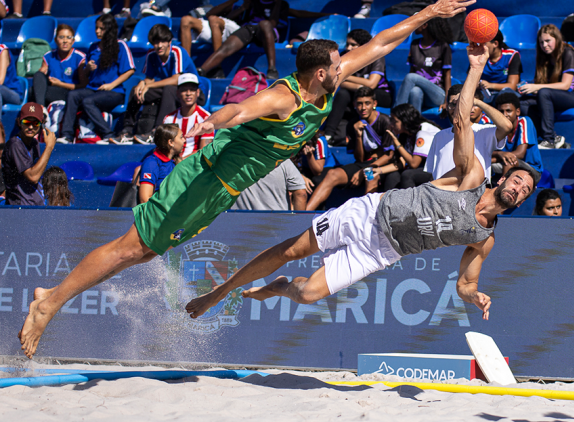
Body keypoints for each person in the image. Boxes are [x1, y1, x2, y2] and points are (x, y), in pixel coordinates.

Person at [18, 0, 476, 359]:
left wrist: (431, 12)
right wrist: (212, 121)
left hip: (222, 189)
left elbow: (381, 43)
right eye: (338, 63)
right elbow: (239, 109)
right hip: (205, 176)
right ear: (320, 73)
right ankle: (49, 302)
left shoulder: (325, 83)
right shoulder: (285, 97)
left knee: (143, 254)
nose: (348, 66)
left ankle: (52, 293)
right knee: (131, 247)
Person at [184, 42, 537, 326]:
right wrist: (475, 69)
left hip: (381, 251)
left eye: (525, 191)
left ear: (521, 202)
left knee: (307, 295)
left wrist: (475, 296)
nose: (519, 188)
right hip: (369, 214)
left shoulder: (484, 238)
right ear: (503, 176)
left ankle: (280, 288)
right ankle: (220, 292)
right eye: (518, 179)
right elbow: (461, 121)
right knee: (291, 250)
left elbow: (465, 284)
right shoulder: (472, 178)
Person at [304, 86, 395, 210]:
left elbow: (389, 155)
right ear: (354, 105)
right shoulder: (352, 124)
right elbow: (359, 158)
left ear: (374, 103)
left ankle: (366, 217)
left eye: (367, 103)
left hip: (380, 165)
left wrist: (366, 169)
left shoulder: (385, 121)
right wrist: (358, 136)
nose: (363, 108)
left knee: (369, 175)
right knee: (332, 174)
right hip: (363, 163)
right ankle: (304, 213)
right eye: (359, 104)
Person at [112, 24, 198, 145]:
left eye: (163, 41)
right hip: (169, 91)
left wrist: (149, 85)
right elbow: (149, 78)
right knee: (136, 90)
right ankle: (126, 132)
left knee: (169, 89)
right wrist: (142, 84)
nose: (159, 46)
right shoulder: (152, 54)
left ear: (169, 41)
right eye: (156, 42)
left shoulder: (177, 52)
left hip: (191, 93)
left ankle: (157, 133)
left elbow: (176, 79)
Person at [57, 13, 135, 144]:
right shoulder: (93, 47)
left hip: (114, 92)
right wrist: (87, 68)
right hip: (94, 89)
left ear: (109, 29)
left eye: (101, 28)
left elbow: (130, 70)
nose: (97, 31)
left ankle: (108, 134)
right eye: (96, 28)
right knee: (73, 95)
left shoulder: (120, 45)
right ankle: (67, 135)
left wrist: (111, 85)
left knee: (88, 101)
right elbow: (86, 74)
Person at [197, 0, 284, 81]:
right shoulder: (252, 1)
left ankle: (272, 69)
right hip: (250, 29)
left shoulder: (281, 4)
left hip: (267, 33)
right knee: (228, 45)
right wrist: (243, 7)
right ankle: (203, 70)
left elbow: (273, 23)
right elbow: (219, 16)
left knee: (264, 24)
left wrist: (278, 2)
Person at [519, 24, 574, 150]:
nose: (544, 45)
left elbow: (566, 85)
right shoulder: (544, 57)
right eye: (541, 42)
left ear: (557, 39)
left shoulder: (568, 52)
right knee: (523, 102)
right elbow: (542, 86)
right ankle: (554, 138)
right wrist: (528, 88)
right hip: (553, 96)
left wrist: (536, 87)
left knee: (544, 92)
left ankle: (549, 140)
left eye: (548, 41)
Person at [425, 84, 512, 182]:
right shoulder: (439, 136)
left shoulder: (483, 131)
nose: (456, 108)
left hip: (473, 194)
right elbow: (433, 174)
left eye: (460, 103)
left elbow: (507, 126)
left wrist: (476, 101)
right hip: (440, 194)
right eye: (452, 104)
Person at [321, 28, 393, 145]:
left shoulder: (376, 56)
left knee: (350, 97)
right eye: (348, 44)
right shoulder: (345, 56)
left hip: (379, 93)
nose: (348, 48)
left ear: (364, 46)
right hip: (356, 92)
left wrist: (345, 75)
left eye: (353, 45)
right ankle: (329, 134)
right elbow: (341, 83)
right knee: (342, 94)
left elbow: (372, 84)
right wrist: (359, 86)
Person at [178, 0, 258, 55]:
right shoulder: (238, 6)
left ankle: (216, 64)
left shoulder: (261, 5)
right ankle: (186, 64)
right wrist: (235, 1)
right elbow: (210, 14)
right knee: (186, 20)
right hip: (222, 30)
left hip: (243, 33)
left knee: (214, 20)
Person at [394, 19, 453, 115]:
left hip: (437, 94)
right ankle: (414, 124)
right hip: (421, 93)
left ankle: (396, 113)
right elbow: (412, 70)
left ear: (425, 25)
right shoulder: (414, 45)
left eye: (417, 22)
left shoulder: (443, 46)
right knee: (415, 92)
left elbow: (447, 75)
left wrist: (447, 101)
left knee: (411, 77)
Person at [1, 102, 54, 206]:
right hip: (20, 207)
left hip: (34, 205)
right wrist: (49, 147)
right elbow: (33, 177)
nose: (30, 127)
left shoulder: (34, 143)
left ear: (41, 124)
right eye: (26, 122)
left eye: (35, 123)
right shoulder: (15, 144)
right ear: (19, 122)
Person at [378, 104, 438, 192]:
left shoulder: (423, 132)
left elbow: (414, 164)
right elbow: (401, 162)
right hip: (424, 168)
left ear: (405, 122)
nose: (391, 124)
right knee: (392, 176)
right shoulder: (406, 133)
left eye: (395, 121)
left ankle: (411, 205)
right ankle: (390, 204)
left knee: (407, 175)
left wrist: (397, 144)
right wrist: (378, 170)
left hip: (439, 169)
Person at [490, 91, 543, 180]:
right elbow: (486, 152)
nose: (504, 115)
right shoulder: (495, 126)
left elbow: (520, 154)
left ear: (517, 111)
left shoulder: (524, 121)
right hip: (504, 163)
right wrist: (500, 153)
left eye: (508, 111)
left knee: (510, 161)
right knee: (478, 163)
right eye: (501, 111)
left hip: (531, 170)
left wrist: (496, 158)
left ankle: (501, 191)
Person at [159, 73, 213, 159]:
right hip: (171, 163)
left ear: (198, 92)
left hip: (193, 164)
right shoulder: (169, 118)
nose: (188, 93)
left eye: (192, 90)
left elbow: (204, 151)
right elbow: (162, 148)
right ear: (177, 93)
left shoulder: (206, 118)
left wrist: (180, 161)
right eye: (184, 90)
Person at [32, 23, 84, 108]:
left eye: (68, 37)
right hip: (52, 89)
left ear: (73, 41)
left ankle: (40, 109)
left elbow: (83, 85)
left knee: (36, 92)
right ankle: (41, 108)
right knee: (37, 81)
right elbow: (41, 75)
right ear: (56, 40)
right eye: (61, 37)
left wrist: (60, 84)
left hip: (70, 92)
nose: (65, 41)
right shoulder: (48, 56)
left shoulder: (80, 57)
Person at [232, 161, 308, 211]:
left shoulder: (232, 158)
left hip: (239, 224)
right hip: (278, 225)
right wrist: (298, 224)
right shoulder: (283, 160)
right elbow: (301, 194)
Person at [137, 123, 184, 204]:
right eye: (181, 137)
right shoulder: (151, 163)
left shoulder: (175, 161)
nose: (184, 140)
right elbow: (145, 200)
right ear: (171, 142)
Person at [479, 30, 523, 98]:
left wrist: (490, 85)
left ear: (495, 44)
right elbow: (471, 83)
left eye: (484, 44)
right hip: (484, 94)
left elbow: (512, 86)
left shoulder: (511, 55)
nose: (480, 47)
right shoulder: (477, 56)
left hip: (505, 94)